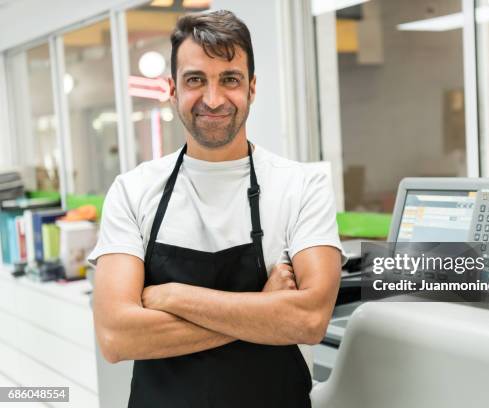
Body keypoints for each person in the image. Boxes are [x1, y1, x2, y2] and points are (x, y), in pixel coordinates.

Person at [88, 10, 343, 408]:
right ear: (172, 90)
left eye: (230, 79)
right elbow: (116, 337)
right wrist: (264, 307)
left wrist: (172, 296)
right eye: (195, 80)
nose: (212, 98)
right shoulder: (132, 190)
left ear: (252, 87)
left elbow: (309, 320)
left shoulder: (301, 186)